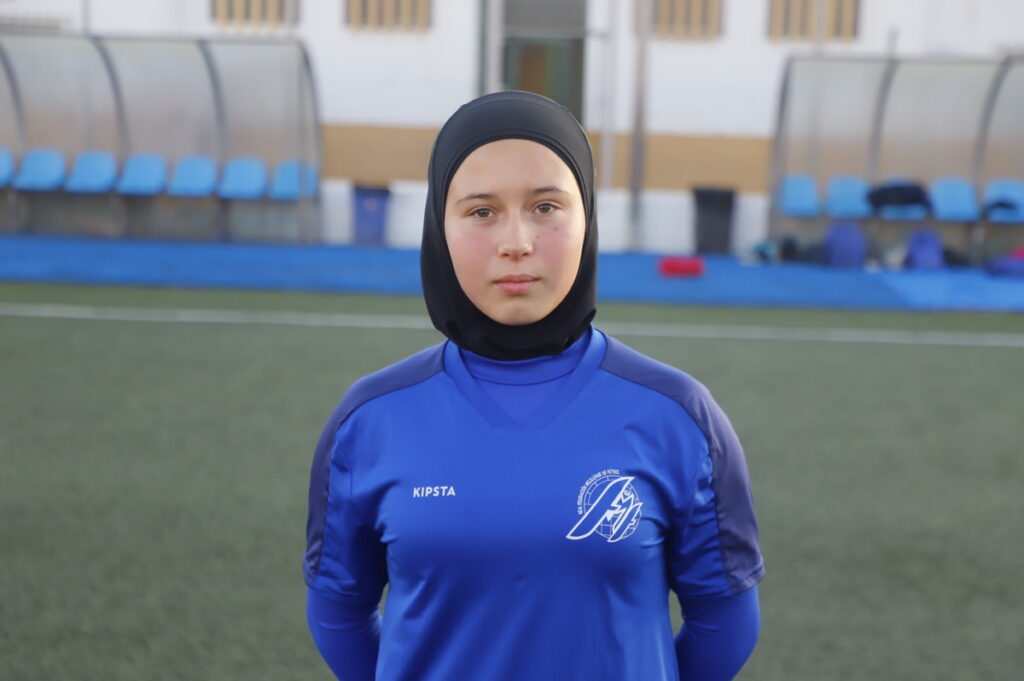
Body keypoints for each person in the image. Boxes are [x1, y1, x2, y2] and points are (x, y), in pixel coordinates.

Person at [304, 91, 764, 681]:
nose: (516, 241)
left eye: (546, 207)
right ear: (438, 227)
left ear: (588, 217)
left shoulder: (677, 415)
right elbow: (339, 613)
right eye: (480, 211)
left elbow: (725, 622)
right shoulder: (368, 421)